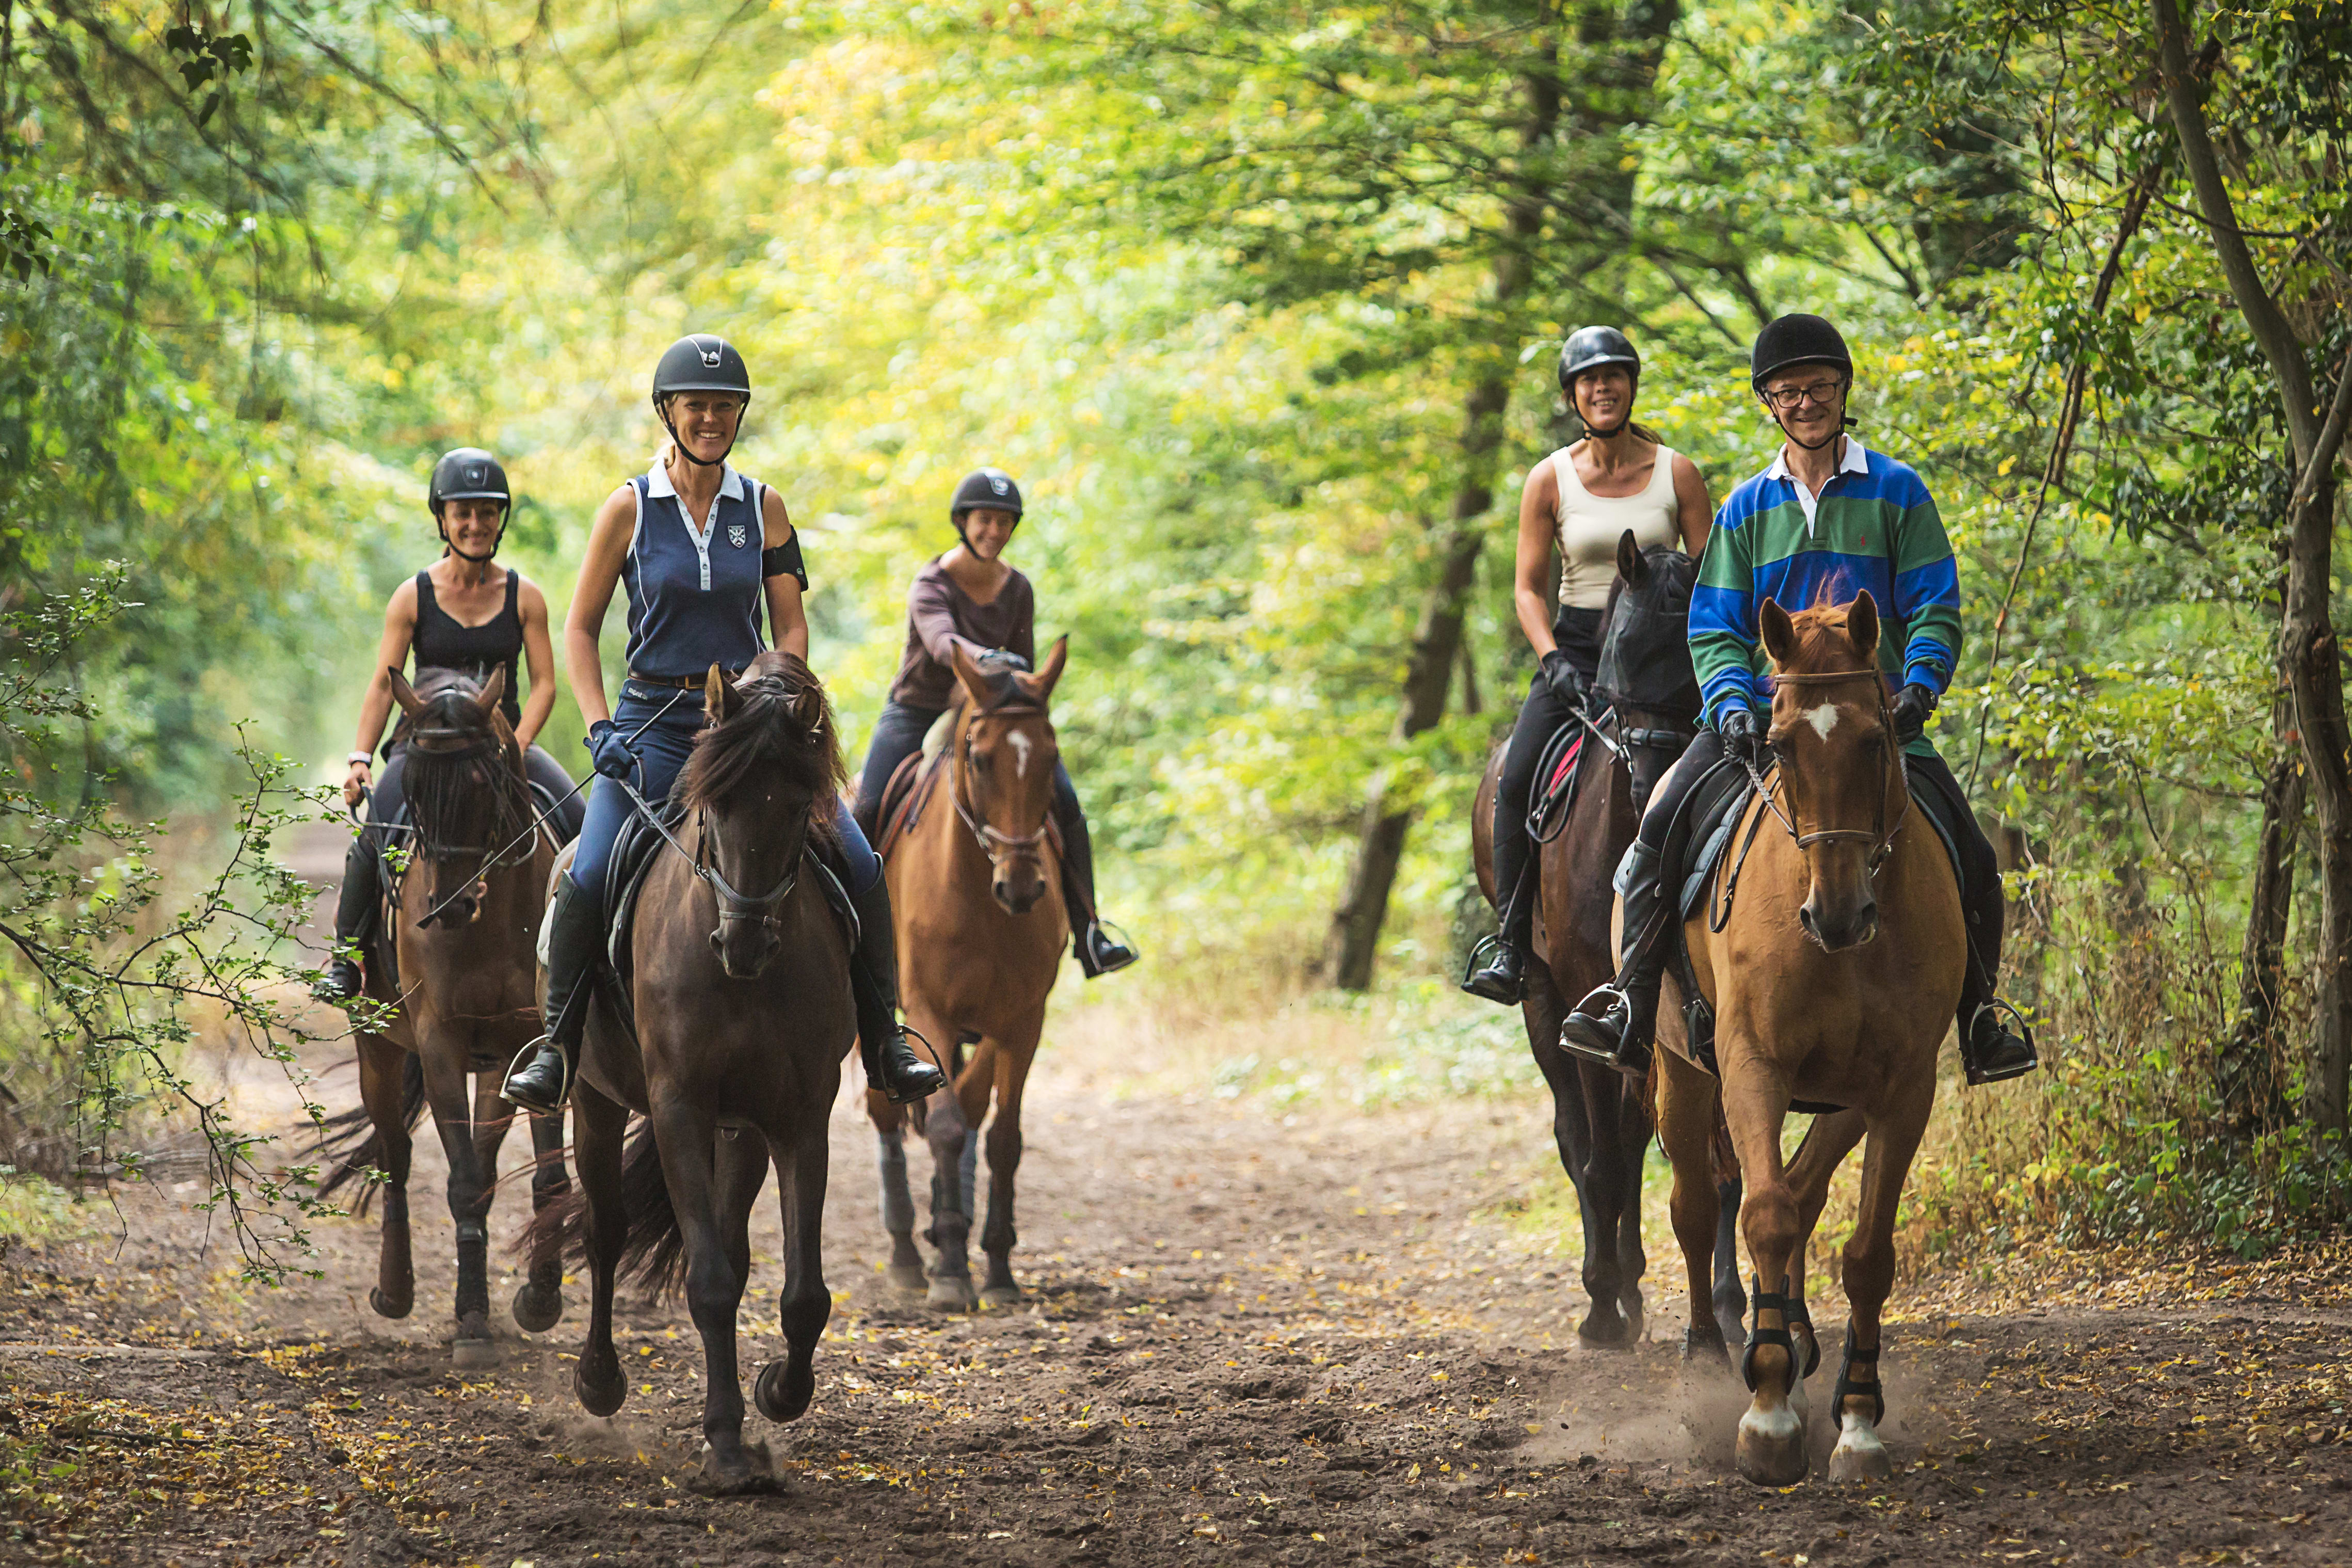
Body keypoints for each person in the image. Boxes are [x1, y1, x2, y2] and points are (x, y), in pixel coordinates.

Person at [1559, 313, 2038, 1086]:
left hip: (1875, 725)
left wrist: (1918, 685)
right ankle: (1629, 999)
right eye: (1788, 391)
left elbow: (1935, 606)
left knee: (1974, 855)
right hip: (1762, 727)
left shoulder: (1898, 491)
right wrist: (1730, 706)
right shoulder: (1748, 507)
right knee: (1655, 830)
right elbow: (1713, 624)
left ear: (1843, 391)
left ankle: (1981, 1019)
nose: (1805, 402)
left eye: (1818, 386)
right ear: (1770, 404)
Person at [499, 335, 947, 1113]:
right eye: (696, 405)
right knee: (586, 871)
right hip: (652, 724)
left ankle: (886, 1038)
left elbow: (791, 624)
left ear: (739, 414)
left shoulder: (762, 505)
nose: (710, 418)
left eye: (724, 406)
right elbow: (578, 629)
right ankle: (557, 1048)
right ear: (668, 412)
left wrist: (775, 692)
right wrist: (602, 724)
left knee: (860, 859)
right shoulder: (629, 507)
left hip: (748, 729)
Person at [1461, 327, 1712, 1004]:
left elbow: (1711, 577)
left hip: (1663, 661)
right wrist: (1551, 660)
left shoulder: (1676, 472)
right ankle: (1512, 943)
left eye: (1614, 376)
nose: (1602, 388)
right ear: (1573, 394)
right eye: (1588, 380)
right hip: (1575, 652)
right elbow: (1526, 587)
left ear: (1632, 385)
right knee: (1515, 778)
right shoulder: (1550, 478)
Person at [316, 448, 582, 1004]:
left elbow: (545, 686)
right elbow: (384, 684)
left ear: (500, 521)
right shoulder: (413, 595)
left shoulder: (524, 596)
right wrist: (361, 757)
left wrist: (517, 746)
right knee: (374, 840)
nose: (476, 524)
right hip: (428, 751)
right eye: (464, 512)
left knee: (579, 827)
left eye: (488, 512)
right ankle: (348, 958)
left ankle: (590, 963)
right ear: (442, 518)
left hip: (501, 748)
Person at [851, 468, 1138, 979]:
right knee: (868, 804)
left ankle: (1090, 929)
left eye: (1004, 523)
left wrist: (1016, 687)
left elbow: (1023, 670)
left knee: (1065, 801)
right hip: (920, 708)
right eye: (985, 520)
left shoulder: (1018, 587)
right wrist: (990, 659)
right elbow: (943, 643)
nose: (994, 531)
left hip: (997, 715)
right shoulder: (932, 581)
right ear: (964, 522)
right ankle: (851, 938)